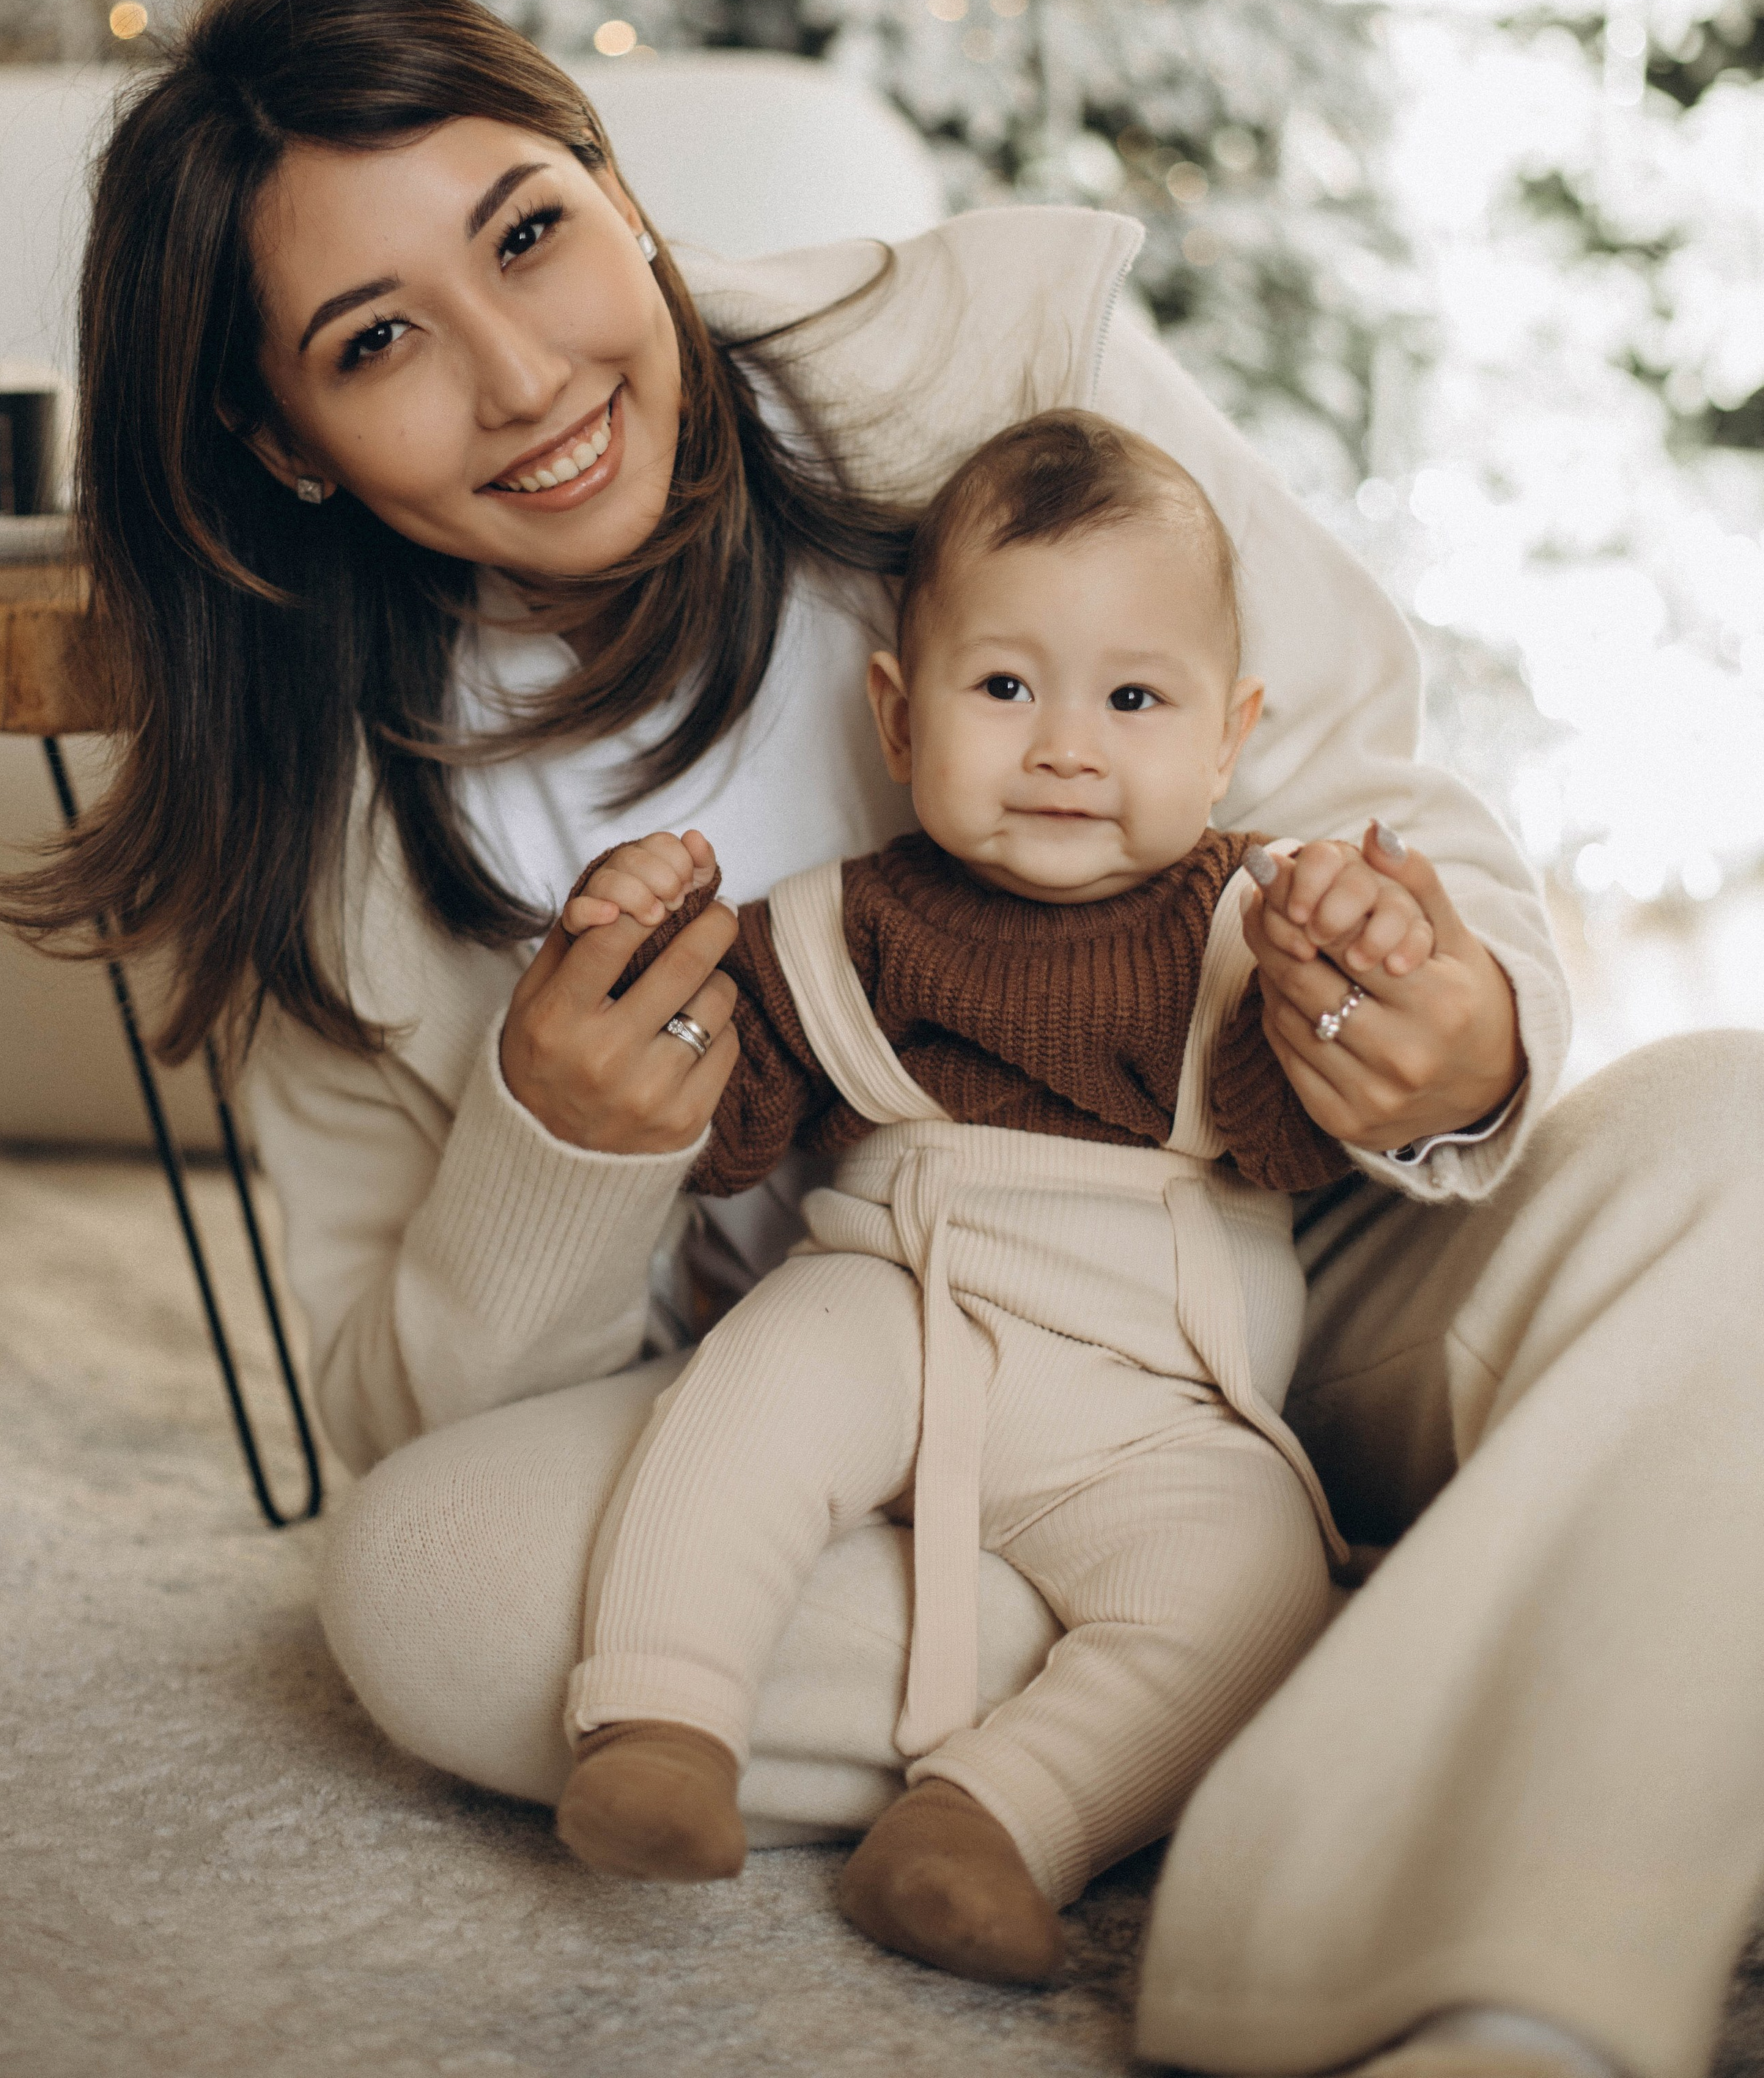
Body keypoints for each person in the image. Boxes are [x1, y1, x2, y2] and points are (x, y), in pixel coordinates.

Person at [0, 0, 1764, 2078]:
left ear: (617, 191)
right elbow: (397, 1407)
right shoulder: (324, 816)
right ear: (281, 441)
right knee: (428, 1584)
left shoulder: (981, 380)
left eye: (531, 235)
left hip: (1273, 1276)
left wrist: (1453, 1035)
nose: (524, 376)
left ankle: (1488, 1983)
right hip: (836, 1422)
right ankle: (1489, 1624)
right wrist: (550, 1156)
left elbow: (1368, 793)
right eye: (380, 344)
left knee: (1733, 1139)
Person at [551, 410, 1450, 1987]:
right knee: (749, 1395)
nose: (1062, 745)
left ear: (1226, 738)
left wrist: (1352, 971)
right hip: (893, 1303)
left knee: (1256, 1595)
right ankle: (660, 1718)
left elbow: (1306, 1138)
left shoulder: (1251, 924)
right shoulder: (846, 922)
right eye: (1002, 687)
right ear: (897, 719)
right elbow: (726, 1117)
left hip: (1148, 1399)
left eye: (1129, 698)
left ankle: (987, 1823)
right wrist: (639, 955)